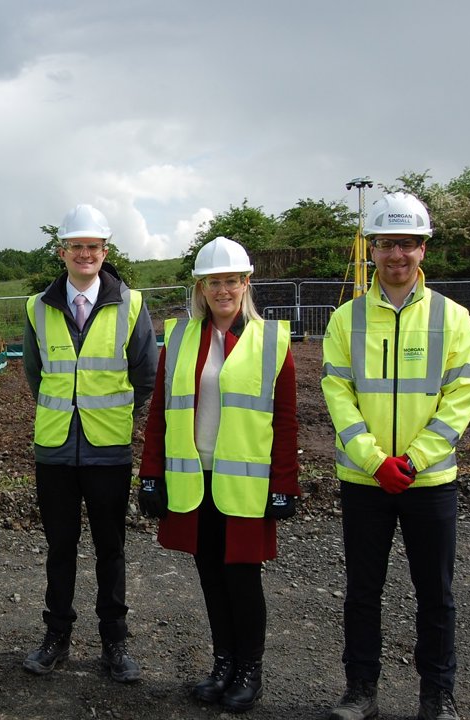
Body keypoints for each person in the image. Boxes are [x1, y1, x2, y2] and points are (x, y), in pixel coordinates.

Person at [322, 192, 470, 720]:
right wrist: (375, 461)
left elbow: (462, 396)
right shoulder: (346, 320)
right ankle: (360, 690)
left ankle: (437, 696)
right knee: (363, 591)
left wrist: (413, 460)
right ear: (371, 250)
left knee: (435, 594)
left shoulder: (453, 318)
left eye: (407, 244)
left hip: (430, 482)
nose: (397, 255)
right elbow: (338, 396)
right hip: (365, 482)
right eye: (387, 244)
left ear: (423, 250)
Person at [137, 236, 300, 713]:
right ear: (200, 287)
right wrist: (151, 475)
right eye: (214, 282)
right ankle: (223, 662)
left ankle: (250, 670)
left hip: (246, 484)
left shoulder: (271, 340)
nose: (223, 289)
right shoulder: (182, 338)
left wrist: (285, 484)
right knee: (210, 575)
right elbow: (162, 413)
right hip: (194, 479)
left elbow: (286, 419)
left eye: (232, 280)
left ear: (246, 283)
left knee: (243, 580)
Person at [22, 204, 157, 683]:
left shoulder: (131, 305)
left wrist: (114, 414)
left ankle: (114, 643)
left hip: (108, 449)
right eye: (76, 246)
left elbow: (145, 374)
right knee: (60, 547)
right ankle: (56, 635)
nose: (85, 254)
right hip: (56, 450)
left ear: (105, 251)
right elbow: (36, 374)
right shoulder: (38, 307)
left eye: (93, 247)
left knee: (110, 548)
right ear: (62, 252)